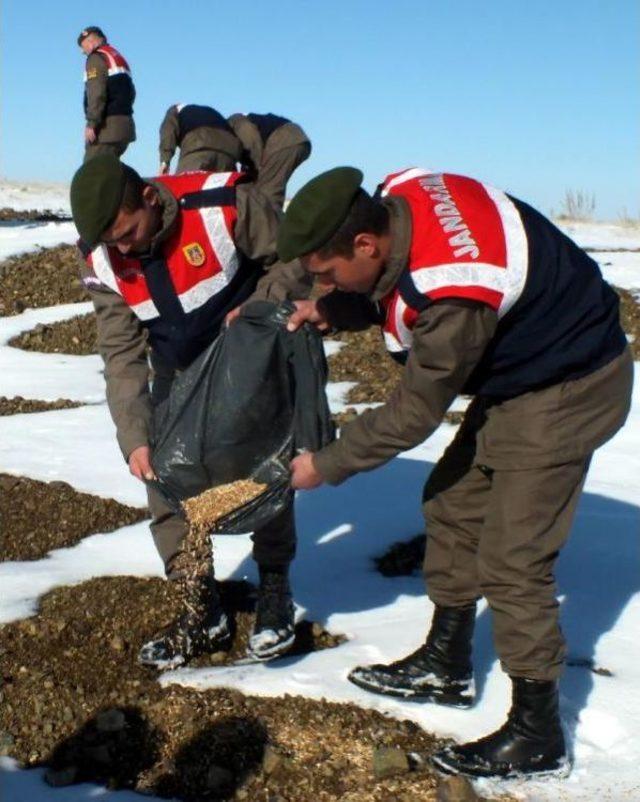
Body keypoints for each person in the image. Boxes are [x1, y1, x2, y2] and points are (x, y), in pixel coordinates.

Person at [278, 166, 633, 780]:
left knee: (513, 558)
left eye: (329, 273)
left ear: (365, 243)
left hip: (572, 383)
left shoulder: (454, 292)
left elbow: (414, 412)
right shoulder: (401, 197)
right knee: (452, 503)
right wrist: (335, 308)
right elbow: (393, 281)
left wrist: (325, 465)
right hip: (528, 370)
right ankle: (446, 663)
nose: (323, 282)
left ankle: (537, 732)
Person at [69, 156, 311, 668]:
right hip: (176, 368)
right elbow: (120, 350)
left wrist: (260, 307)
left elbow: (296, 256)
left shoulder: (224, 207)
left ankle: (274, 589)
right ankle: (199, 605)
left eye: (129, 232)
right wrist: (134, 436)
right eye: (112, 241)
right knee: (161, 470)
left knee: (264, 469)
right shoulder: (102, 255)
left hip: (247, 358)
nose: (124, 248)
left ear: (152, 199)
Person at [228, 113, 311, 209]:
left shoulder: (234, 123)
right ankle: (271, 219)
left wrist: (254, 169)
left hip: (284, 139)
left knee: (266, 193)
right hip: (291, 138)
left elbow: (252, 142)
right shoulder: (230, 130)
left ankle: (269, 222)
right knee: (264, 188)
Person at [78, 26, 136, 162]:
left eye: (83, 47)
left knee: (91, 172)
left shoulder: (96, 58)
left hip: (106, 129)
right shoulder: (117, 57)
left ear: (91, 43)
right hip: (125, 127)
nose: (82, 52)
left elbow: (96, 93)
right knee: (110, 172)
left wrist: (92, 123)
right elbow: (132, 93)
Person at [158, 103, 242, 175]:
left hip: (199, 144)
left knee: (187, 189)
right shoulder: (210, 111)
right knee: (224, 190)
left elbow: (168, 133)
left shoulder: (174, 110)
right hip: (230, 149)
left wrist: (164, 162)